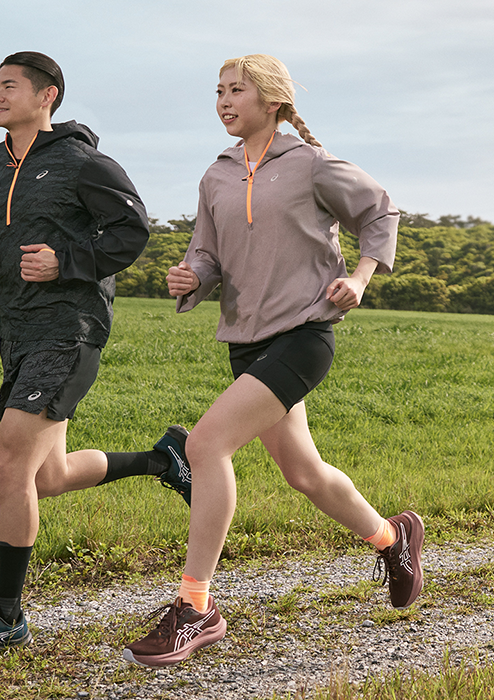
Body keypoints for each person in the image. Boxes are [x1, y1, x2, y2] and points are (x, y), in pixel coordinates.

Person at [120, 54, 422, 668]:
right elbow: (206, 254)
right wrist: (190, 276)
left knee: (205, 446)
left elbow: (381, 211)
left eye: (238, 91)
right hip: (245, 339)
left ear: (273, 101)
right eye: (219, 91)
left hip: (305, 333)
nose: (224, 101)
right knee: (304, 473)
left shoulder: (310, 164)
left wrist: (361, 276)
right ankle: (393, 539)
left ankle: (196, 606)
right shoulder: (216, 175)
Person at [0, 51, 192, 652]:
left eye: (9, 86)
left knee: (8, 464)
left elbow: (132, 231)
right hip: (15, 332)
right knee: (48, 476)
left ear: (47, 96)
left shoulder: (82, 163)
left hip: (69, 329)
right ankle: (161, 459)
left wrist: (66, 262)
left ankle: (6, 616)